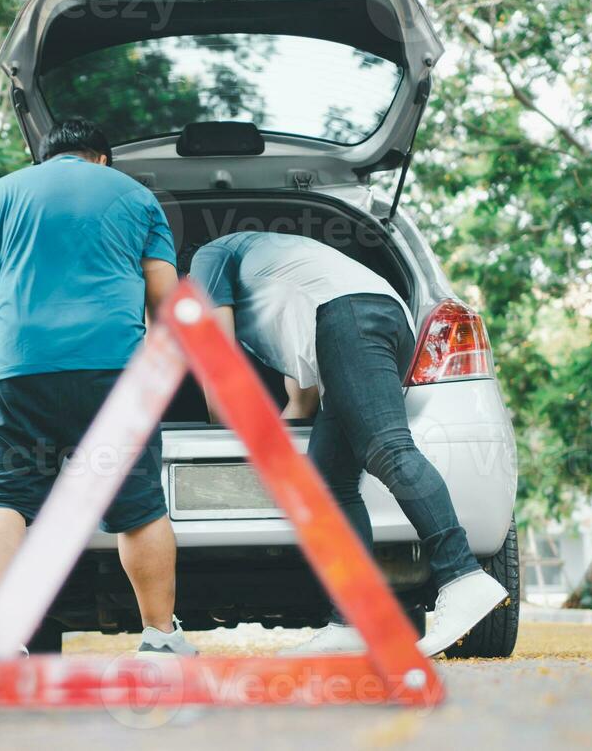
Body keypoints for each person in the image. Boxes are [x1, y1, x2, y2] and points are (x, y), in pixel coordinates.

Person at [0, 118, 196, 657]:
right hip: (112, 374)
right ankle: (159, 638)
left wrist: (1, 336)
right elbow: (165, 298)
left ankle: (1, 641)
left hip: (18, 372)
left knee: (3, 498)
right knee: (139, 505)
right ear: (101, 158)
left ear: (46, 157)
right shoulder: (136, 197)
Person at [189, 231, 506, 656]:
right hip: (365, 321)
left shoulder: (209, 257)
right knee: (328, 482)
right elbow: (301, 399)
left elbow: (216, 352)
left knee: (387, 447)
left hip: (351, 318)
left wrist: (217, 434)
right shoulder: (277, 292)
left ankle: (462, 576)